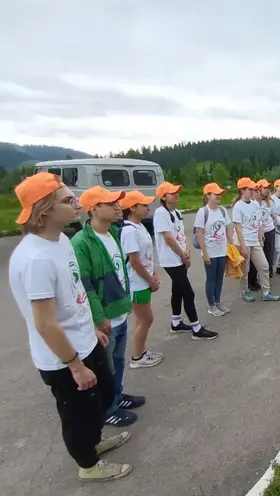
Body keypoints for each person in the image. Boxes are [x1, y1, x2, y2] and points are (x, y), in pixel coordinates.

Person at [9, 172, 132, 482]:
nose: (77, 202)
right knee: (78, 415)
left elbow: (75, 293)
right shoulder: (37, 259)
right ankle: (88, 464)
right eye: (67, 200)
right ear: (43, 210)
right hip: (64, 359)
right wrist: (75, 365)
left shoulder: (61, 240)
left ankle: (93, 442)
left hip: (86, 340)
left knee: (102, 397)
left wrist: (92, 327)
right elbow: (46, 324)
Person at [71, 186, 145, 427]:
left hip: (120, 310)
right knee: (106, 367)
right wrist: (98, 318)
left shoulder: (113, 232)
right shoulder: (81, 242)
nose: (117, 207)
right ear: (93, 209)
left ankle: (117, 395)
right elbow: (85, 285)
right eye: (110, 203)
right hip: (104, 318)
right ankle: (108, 409)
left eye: (117, 202)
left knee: (118, 361)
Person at [153, 182, 218, 340]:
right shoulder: (160, 213)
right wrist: (183, 254)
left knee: (178, 290)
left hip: (180, 257)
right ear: (163, 197)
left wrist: (187, 250)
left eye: (176, 192)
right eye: (172, 193)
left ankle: (176, 322)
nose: (176, 194)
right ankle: (196, 328)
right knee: (188, 293)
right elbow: (168, 238)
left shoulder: (175, 212)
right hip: (171, 260)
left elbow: (181, 234)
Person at [119, 190, 163, 369]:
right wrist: (150, 280)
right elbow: (135, 261)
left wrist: (153, 274)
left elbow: (147, 256)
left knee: (141, 319)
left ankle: (141, 351)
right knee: (146, 319)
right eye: (143, 205)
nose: (148, 207)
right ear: (132, 208)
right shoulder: (129, 231)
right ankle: (137, 357)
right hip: (137, 282)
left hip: (144, 279)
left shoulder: (140, 226)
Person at [232, 177, 280, 302]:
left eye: (254, 189)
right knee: (245, 269)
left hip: (254, 241)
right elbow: (238, 229)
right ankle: (244, 291)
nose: (253, 191)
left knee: (264, 266)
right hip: (244, 242)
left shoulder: (254, 204)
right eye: (250, 189)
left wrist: (260, 238)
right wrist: (243, 246)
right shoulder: (238, 207)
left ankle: (266, 292)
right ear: (242, 190)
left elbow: (259, 222)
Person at [194, 183, 233, 317]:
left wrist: (231, 243)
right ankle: (211, 306)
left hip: (222, 250)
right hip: (210, 252)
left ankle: (218, 302)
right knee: (211, 279)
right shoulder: (203, 212)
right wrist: (205, 254)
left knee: (219, 278)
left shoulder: (222, 210)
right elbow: (199, 233)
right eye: (216, 194)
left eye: (220, 194)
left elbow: (227, 227)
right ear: (208, 196)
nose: (219, 196)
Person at [249, 179, 276, 285]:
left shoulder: (269, 201)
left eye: (268, 188)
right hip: (256, 233)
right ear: (258, 189)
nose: (267, 190)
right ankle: (252, 281)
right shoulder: (253, 203)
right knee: (255, 259)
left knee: (269, 255)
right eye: (264, 188)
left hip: (269, 230)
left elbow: (273, 215)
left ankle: (266, 276)